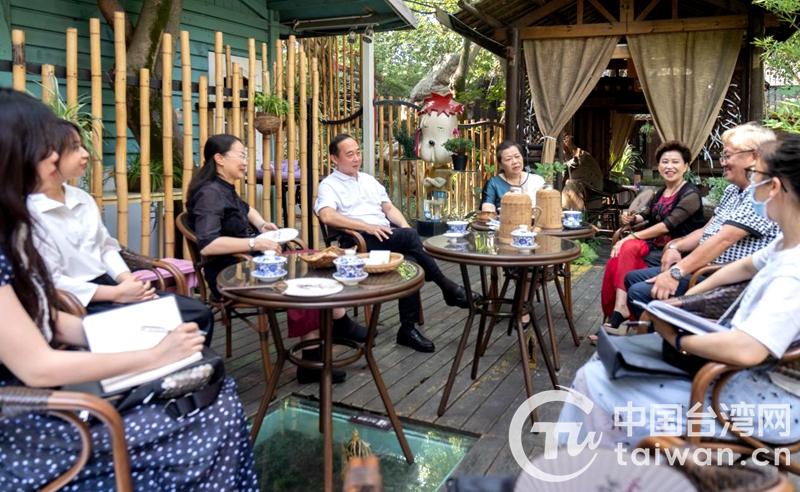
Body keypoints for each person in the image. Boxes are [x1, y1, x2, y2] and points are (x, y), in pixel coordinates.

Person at [0, 88, 258, 490]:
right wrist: (152, 353)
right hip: (31, 412)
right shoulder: (20, 225)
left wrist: (130, 320)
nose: (57, 156)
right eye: (45, 146)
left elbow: (48, 316)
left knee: (204, 368)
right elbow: (37, 364)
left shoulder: (34, 216)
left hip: (72, 340)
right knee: (215, 410)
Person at [558, 133, 800, 448]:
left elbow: (746, 350)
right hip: (739, 374)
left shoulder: (792, 270)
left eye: (757, 174)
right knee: (602, 365)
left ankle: (590, 466)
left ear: (775, 187)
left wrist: (676, 338)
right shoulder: (784, 245)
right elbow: (742, 267)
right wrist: (683, 301)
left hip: (761, 401)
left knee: (593, 381)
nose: (752, 183)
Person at [186, 134, 366, 383]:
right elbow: (208, 245)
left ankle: (332, 329)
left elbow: (246, 209)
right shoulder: (209, 194)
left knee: (312, 258)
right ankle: (323, 344)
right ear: (219, 158)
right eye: (240, 156)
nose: (245, 161)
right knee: (303, 277)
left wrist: (261, 225)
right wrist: (254, 243)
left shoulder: (223, 188)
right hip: (230, 274)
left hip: (249, 263)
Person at [27, 119, 215, 346]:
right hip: (73, 301)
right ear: (47, 154)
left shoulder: (82, 198)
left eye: (83, 146)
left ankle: (190, 368)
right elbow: (51, 281)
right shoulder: (28, 212)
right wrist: (116, 294)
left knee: (197, 313)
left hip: (110, 284)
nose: (86, 154)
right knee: (171, 325)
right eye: (75, 148)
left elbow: (106, 247)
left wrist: (128, 282)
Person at [315, 134, 481, 353]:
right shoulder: (329, 185)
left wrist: (404, 228)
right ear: (335, 159)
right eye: (350, 154)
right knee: (410, 239)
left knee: (410, 261)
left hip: (384, 238)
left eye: (358, 152)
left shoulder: (368, 180)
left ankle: (407, 329)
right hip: (358, 243)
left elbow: (389, 208)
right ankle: (447, 287)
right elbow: (327, 215)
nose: (356, 158)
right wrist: (366, 227)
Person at [624, 124, 780, 319]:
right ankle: (656, 330)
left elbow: (724, 239)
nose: (723, 163)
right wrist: (674, 246)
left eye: (727, 156)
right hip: (705, 269)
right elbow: (706, 230)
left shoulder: (762, 192)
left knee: (639, 292)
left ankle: (670, 334)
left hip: (731, 281)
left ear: (754, 157)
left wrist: (676, 273)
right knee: (632, 278)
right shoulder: (732, 190)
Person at [600, 141, 706, 329]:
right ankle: (619, 311)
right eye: (665, 162)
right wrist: (632, 219)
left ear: (686, 166)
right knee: (616, 260)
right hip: (656, 249)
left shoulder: (691, 194)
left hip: (678, 253)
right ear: (659, 166)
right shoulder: (661, 192)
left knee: (627, 248)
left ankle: (619, 316)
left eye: (675, 162)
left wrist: (632, 236)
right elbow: (647, 215)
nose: (669, 166)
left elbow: (667, 225)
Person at [480, 141, 546, 211]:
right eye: (508, 159)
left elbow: (547, 206)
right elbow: (488, 209)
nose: (515, 161)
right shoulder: (494, 184)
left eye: (517, 156)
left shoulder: (537, 181)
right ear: (501, 165)